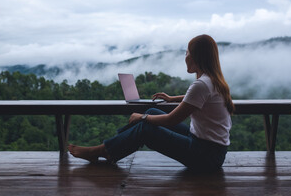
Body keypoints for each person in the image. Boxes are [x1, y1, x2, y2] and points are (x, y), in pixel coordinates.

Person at [68, 34, 234, 172]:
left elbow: (171, 120)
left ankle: (102, 151)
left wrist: (142, 117)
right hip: (213, 152)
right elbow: (197, 98)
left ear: (197, 57)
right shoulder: (213, 81)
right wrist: (172, 99)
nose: (185, 56)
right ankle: (113, 148)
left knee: (146, 127)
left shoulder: (201, 84)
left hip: (205, 157)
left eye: (187, 52)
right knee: (153, 112)